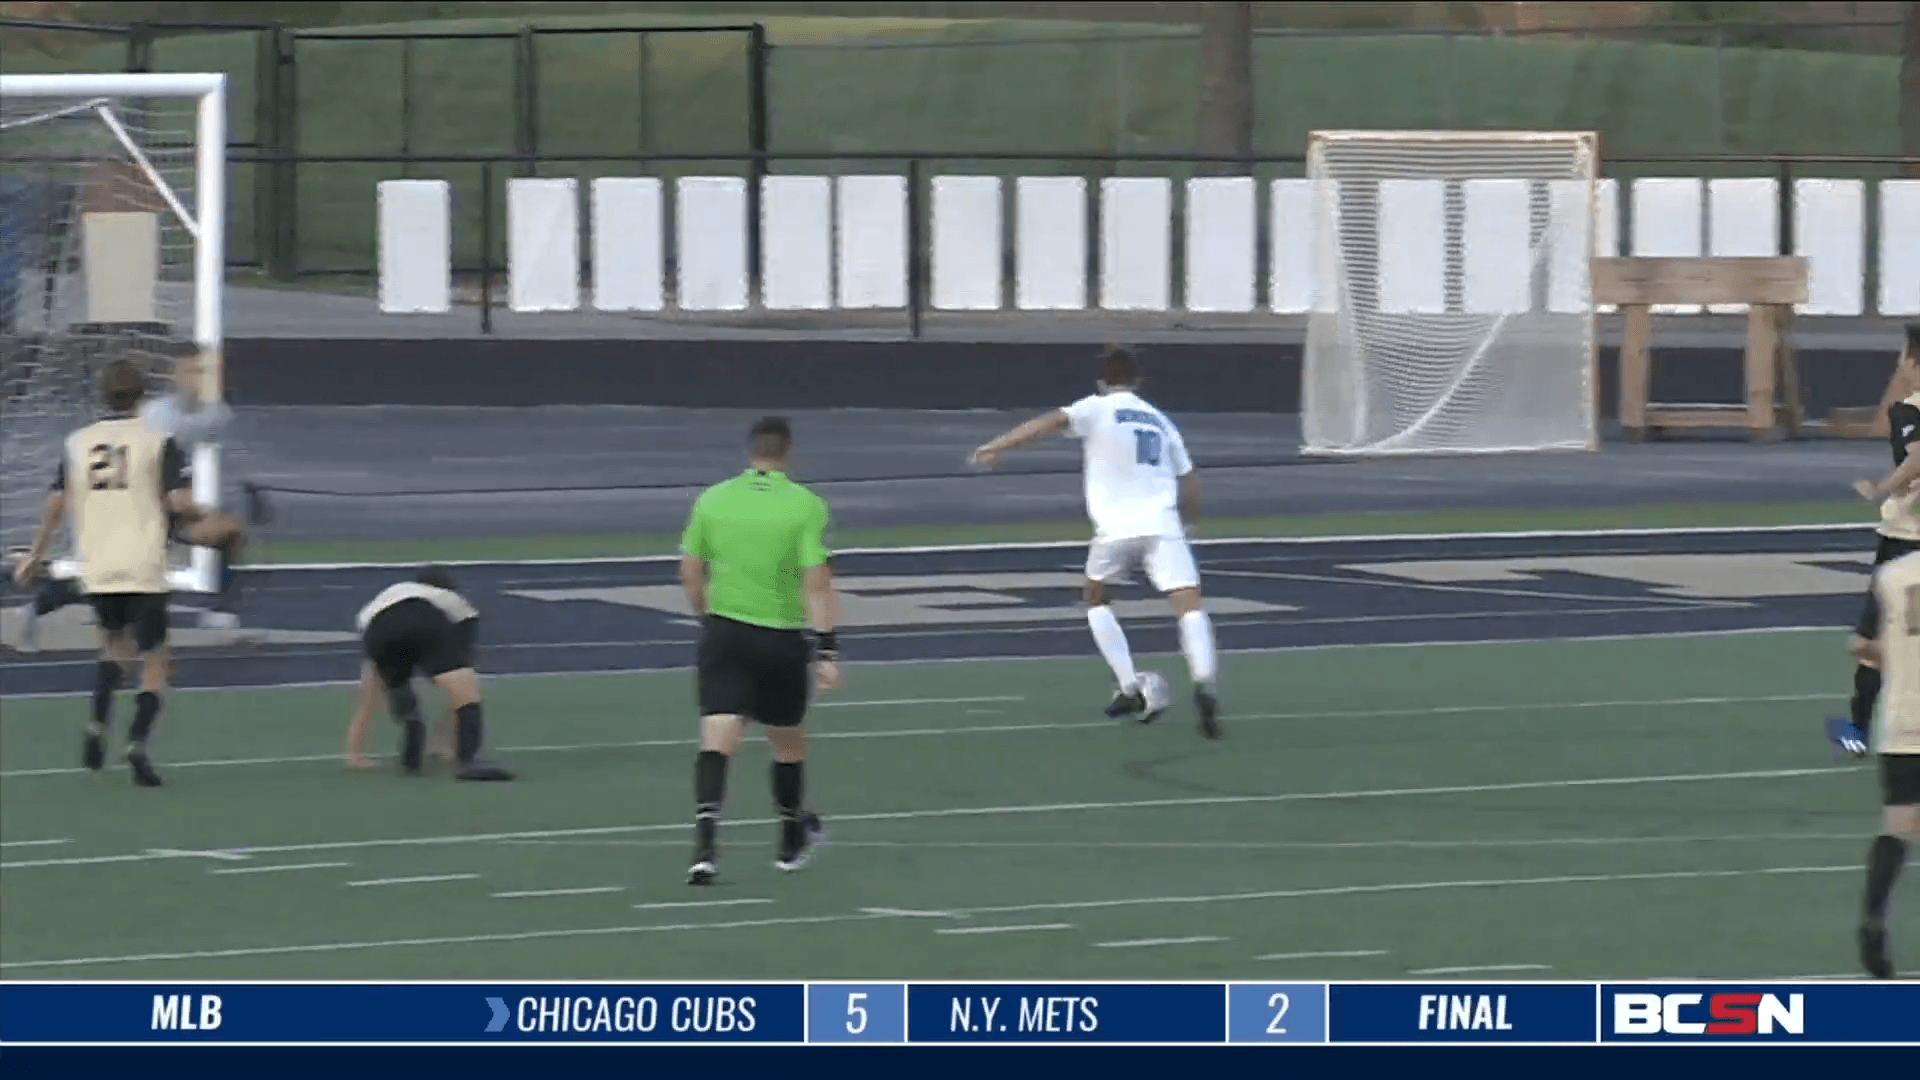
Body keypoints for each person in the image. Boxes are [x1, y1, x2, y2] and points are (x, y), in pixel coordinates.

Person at [968, 344, 1221, 739]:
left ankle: (1128, 686)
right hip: (1163, 525)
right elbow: (1189, 480)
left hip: (1115, 529)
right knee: (1188, 604)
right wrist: (1193, 523)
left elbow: (1047, 423)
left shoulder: (1097, 407)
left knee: (1097, 599)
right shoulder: (1159, 419)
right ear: (1138, 380)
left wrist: (996, 446)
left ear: (1103, 381)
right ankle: (1205, 682)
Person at [10, 359, 232, 787]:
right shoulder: (159, 440)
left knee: (112, 647)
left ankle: (97, 723)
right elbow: (180, 502)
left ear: (102, 396)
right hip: (143, 563)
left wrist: (35, 555)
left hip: (98, 564)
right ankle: (137, 742)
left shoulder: (79, 442)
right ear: (142, 397)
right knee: (155, 660)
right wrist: (212, 517)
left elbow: (56, 502)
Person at [680, 416, 839, 886]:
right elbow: (817, 581)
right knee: (787, 743)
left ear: (750, 451)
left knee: (717, 739)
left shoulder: (714, 498)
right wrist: (827, 650)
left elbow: (690, 572)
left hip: (726, 632)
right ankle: (790, 837)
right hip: (781, 638)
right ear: (787, 452)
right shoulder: (806, 505)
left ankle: (705, 846)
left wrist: (709, 619)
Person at [1830, 324, 1920, 757]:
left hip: (1906, 545)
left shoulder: (1909, 411)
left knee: (1869, 644)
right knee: (1879, 641)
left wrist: (1884, 486)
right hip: (1899, 539)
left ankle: (1858, 732)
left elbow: (1918, 456)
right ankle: (1856, 731)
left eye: (1903, 355)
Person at [352, 566, 513, 781]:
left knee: (398, 684)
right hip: (424, 620)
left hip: (379, 631)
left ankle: (411, 720)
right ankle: (467, 761)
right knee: (466, 692)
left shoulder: (389, 594)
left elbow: (371, 661)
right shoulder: (450, 598)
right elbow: (464, 650)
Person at [1845, 549, 1920, 978]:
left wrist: (1903, 663)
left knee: (1898, 822)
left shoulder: (1892, 575)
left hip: (1901, 721)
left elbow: (1858, 646)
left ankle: (1874, 920)